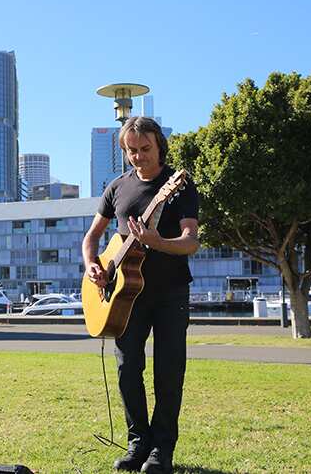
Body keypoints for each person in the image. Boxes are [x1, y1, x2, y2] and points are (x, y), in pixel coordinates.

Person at [81, 117, 199, 474]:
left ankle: (162, 449)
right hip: (124, 296)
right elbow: (91, 237)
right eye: (131, 150)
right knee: (127, 368)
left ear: (159, 146)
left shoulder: (178, 185)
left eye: (145, 149)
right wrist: (92, 265)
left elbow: (190, 241)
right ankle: (138, 442)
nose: (138, 157)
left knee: (168, 371)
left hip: (170, 294)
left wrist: (157, 242)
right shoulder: (116, 187)